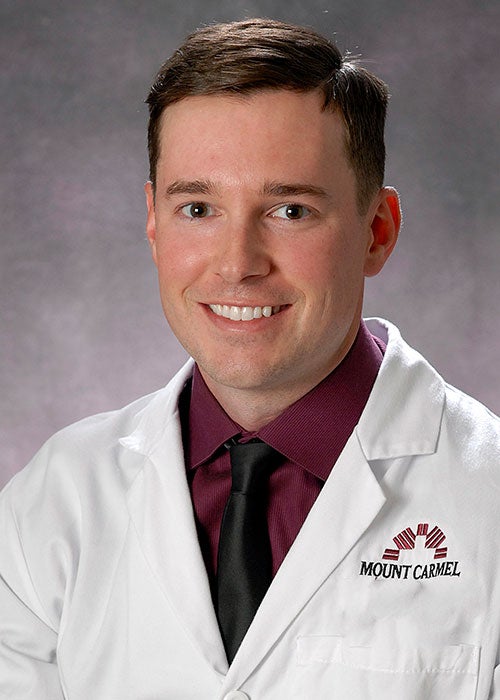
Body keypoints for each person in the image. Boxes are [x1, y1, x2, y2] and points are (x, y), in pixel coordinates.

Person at [1, 18, 499, 700]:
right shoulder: (52, 503)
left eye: (290, 211)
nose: (237, 264)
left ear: (377, 232)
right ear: (153, 222)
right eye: (198, 208)